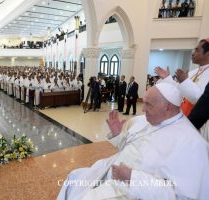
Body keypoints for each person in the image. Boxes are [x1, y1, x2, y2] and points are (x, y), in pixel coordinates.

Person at [57, 83, 209, 200]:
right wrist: (118, 135)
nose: (142, 110)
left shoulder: (192, 144)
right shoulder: (146, 121)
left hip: (133, 192)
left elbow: (179, 196)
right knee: (74, 177)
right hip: (113, 172)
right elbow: (132, 150)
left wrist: (132, 178)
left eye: (148, 104)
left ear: (167, 107)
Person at [155, 38, 209, 116]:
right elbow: (179, 90)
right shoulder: (193, 72)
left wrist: (185, 82)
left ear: (207, 53)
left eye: (197, 50)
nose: (193, 53)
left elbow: (203, 102)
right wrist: (167, 78)